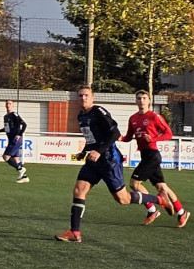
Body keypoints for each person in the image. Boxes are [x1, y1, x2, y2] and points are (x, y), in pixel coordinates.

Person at [55, 85, 163, 243]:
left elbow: (115, 133)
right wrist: (84, 151)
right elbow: (92, 139)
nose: (83, 98)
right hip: (93, 161)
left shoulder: (98, 111)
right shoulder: (81, 116)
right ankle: (74, 232)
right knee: (78, 191)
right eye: (80, 96)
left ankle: (158, 199)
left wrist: (99, 151)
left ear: (92, 98)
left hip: (109, 160)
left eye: (86, 95)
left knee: (123, 199)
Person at [122, 89, 190, 229]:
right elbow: (128, 137)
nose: (141, 101)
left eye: (144, 98)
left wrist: (153, 138)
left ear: (149, 101)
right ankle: (181, 212)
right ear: (136, 101)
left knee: (134, 184)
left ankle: (152, 210)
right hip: (145, 155)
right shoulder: (133, 118)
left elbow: (168, 134)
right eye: (139, 98)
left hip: (152, 155)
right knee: (162, 186)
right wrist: (119, 138)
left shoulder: (154, 117)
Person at [0, 99, 30, 183]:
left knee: (6, 157)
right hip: (11, 139)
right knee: (15, 158)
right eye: (7, 103)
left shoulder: (14, 115)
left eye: (10, 104)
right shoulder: (5, 117)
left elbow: (24, 124)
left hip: (16, 140)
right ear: (5, 105)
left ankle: (21, 169)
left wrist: (19, 134)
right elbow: (7, 129)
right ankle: (24, 177)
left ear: (13, 105)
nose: (8, 105)